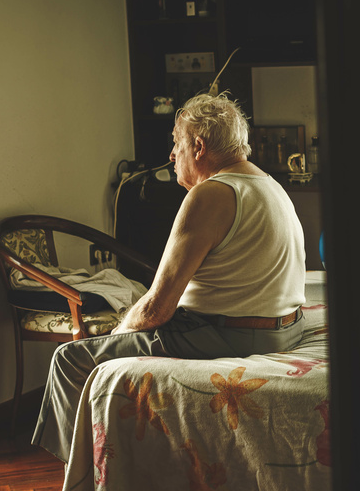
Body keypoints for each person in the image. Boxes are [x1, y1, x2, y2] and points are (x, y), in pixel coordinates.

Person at [31, 92, 307, 462]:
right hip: (286, 328)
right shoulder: (270, 185)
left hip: (226, 334)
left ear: (198, 146)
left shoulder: (211, 194)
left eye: (175, 143)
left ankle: (78, 473)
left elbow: (157, 310)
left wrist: (118, 334)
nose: (171, 156)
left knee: (69, 358)